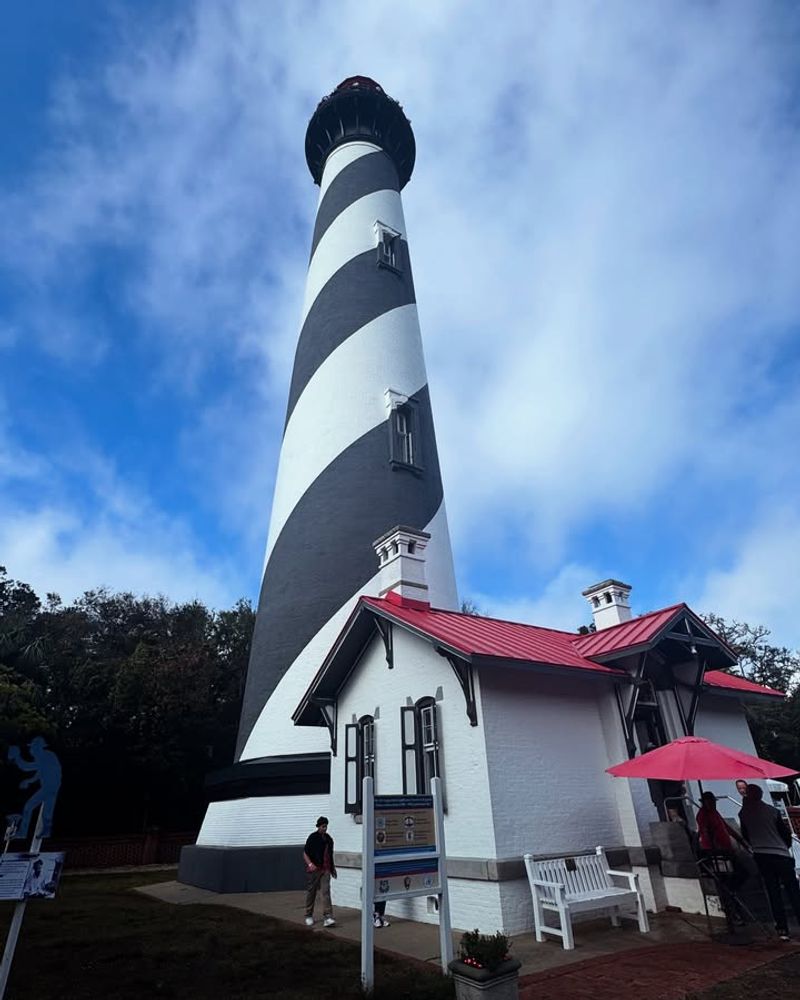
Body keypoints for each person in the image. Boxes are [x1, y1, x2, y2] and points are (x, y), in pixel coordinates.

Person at [740, 784, 800, 941]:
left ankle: (782, 928)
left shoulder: (744, 813)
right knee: (793, 890)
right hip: (780, 852)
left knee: (773, 892)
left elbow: (745, 834)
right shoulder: (771, 811)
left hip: (761, 854)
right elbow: (785, 834)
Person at [695, 792, 748, 924]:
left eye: (713, 801)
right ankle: (731, 910)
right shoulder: (703, 815)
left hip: (726, 849)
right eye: (710, 801)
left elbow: (726, 827)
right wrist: (716, 847)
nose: (713, 803)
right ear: (704, 802)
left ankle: (733, 895)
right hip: (716, 852)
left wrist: (741, 841)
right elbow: (705, 832)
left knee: (741, 873)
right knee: (724, 880)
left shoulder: (714, 812)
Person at [303, 816, 337, 927]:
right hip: (314, 869)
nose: (324, 828)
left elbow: (329, 855)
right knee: (311, 892)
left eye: (326, 826)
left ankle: (328, 917)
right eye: (323, 826)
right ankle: (308, 915)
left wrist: (332, 868)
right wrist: (310, 864)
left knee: (326, 892)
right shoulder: (312, 838)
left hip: (325, 869)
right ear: (318, 826)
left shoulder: (328, 839)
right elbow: (305, 853)